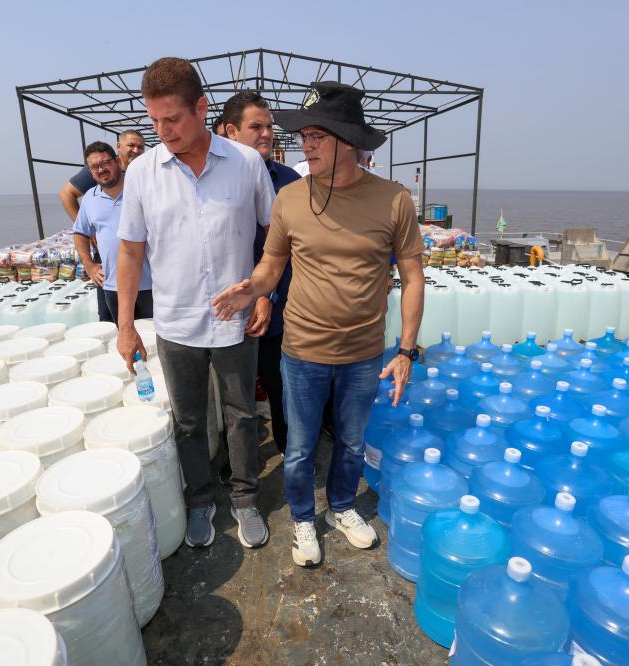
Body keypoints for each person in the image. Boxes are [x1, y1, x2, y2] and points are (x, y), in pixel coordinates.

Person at [212, 81, 426, 568]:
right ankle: (305, 517)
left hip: (365, 352)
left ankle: (343, 507)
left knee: (351, 442)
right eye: (303, 135)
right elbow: (271, 264)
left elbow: (413, 279)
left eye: (316, 136)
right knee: (300, 447)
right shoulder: (289, 199)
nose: (304, 145)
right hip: (303, 349)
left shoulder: (393, 201)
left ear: (347, 142)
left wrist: (406, 350)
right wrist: (253, 288)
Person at [115, 57, 275, 550]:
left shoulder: (245, 164)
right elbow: (130, 249)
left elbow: (276, 237)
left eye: (174, 119)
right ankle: (202, 499)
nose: (163, 130)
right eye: (155, 121)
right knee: (187, 420)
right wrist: (125, 324)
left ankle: (245, 499)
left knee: (242, 413)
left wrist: (262, 292)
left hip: (234, 319)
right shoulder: (142, 173)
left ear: (201, 109)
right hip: (176, 321)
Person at [221, 91, 301, 454]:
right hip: (226, 305)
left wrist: (266, 295)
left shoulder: (290, 183)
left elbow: (295, 248)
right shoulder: (212, 180)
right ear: (230, 132)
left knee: (280, 384)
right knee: (230, 393)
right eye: (256, 126)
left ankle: (290, 451)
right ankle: (234, 462)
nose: (267, 133)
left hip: (279, 304)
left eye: (270, 126)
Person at [58, 130, 146, 322]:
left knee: (155, 337)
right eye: (94, 167)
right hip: (113, 286)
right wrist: (89, 265)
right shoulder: (90, 198)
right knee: (122, 336)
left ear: (116, 161)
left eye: (105, 163)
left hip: (148, 284)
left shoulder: (141, 188)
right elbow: (79, 232)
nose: (101, 169)